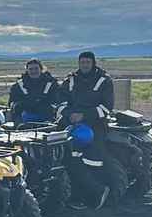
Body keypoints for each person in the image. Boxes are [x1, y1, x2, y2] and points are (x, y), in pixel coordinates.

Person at [58, 50, 116, 207]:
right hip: (71, 125)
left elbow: (107, 107)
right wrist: (69, 114)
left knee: (93, 160)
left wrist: (84, 115)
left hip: (95, 125)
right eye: (82, 62)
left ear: (93, 63)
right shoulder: (70, 79)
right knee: (66, 158)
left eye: (87, 62)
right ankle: (76, 195)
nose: (84, 65)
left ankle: (98, 192)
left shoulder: (104, 80)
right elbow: (61, 101)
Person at [8, 58, 61, 124]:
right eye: (30, 69)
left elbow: (57, 101)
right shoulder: (18, 85)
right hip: (24, 119)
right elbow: (12, 102)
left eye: (36, 68)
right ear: (27, 70)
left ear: (41, 69)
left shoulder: (52, 83)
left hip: (47, 118)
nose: (33, 71)